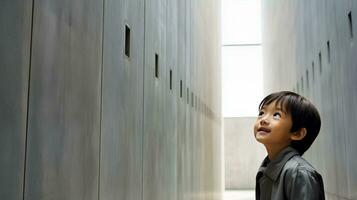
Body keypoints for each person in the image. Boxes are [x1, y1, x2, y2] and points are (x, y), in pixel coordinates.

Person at [254, 91, 325, 200]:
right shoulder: (266, 168)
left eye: (276, 115)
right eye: (261, 113)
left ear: (297, 133)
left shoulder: (299, 173)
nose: (263, 120)